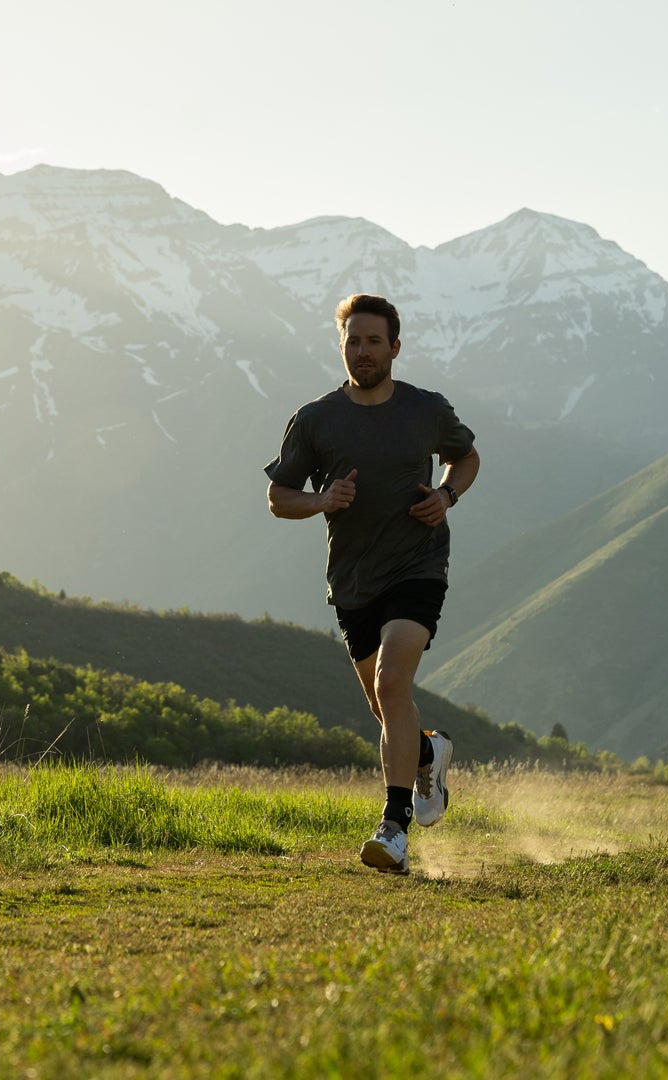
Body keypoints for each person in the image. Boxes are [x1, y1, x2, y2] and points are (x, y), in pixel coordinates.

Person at [264, 294, 480, 874]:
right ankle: (430, 752)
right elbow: (278, 497)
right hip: (353, 578)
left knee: (391, 684)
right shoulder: (315, 420)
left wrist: (445, 495)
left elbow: (466, 459)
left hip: (418, 566)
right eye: (352, 341)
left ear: (394, 349)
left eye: (373, 342)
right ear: (343, 346)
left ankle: (394, 831)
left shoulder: (425, 409)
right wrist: (321, 500)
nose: (362, 351)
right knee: (390, 708)